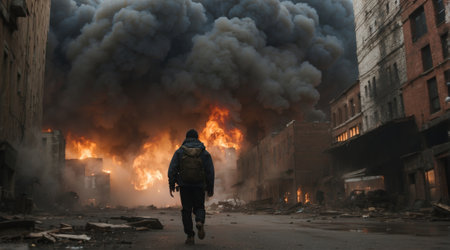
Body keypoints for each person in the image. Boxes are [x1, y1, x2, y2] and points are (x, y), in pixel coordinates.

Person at [168, 129, 215, 245]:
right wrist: (210, 188)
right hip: (199, 186)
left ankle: (190, 235)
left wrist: (172, 184)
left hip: (185, 186)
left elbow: (172, 170)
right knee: (199, 207)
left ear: (186, 137)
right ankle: (199, 221)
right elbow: (210, 172)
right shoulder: (204, 153)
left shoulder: (179, 152)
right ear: (197, 138)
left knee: (186, 210)